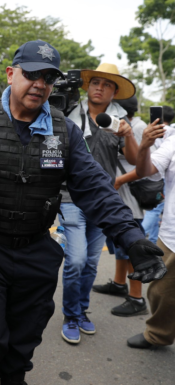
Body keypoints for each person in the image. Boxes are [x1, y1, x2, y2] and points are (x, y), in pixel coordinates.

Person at [0, 40, 165, 385]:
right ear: (10, 74)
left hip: (36, 251)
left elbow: (95, 188)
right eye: (32, 74)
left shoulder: (64, 131)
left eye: (48, 77)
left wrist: (132, 237)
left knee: (23, 340)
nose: (39, 84)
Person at [59, 63, 139, 344]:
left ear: (114, 92)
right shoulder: (69, 114)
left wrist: (128, 134)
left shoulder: (118, 121)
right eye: (95, 82)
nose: (99, 88)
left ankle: (81, 311)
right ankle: (70, 315)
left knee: (91, 263)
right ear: (88, 86)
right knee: (77, 259)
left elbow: (135, 161)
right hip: (70, 197)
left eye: (107, 85)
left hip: (102, 201)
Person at [92, 96, 148, 317]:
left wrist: (119, 181)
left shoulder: (135, 128)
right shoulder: (111, 125)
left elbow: (146, 164)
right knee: (118, 243)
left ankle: (137, 297)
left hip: (128, 193)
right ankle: (118, 283)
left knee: (132, 243)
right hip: (115, 193)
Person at [127, 117, 175, 349]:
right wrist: (145, 145)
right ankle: (158, 334)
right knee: (161, 292)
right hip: (173, 237)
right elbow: (146, 171)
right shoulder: (172, 140)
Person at [141, 105, 174, 244]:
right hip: (163, 175)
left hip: (158, 173)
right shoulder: (171, 132)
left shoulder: (151, 130)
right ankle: (140, 235)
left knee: (156, 208)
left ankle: (152, 239)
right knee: (157, 209)